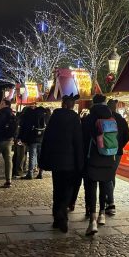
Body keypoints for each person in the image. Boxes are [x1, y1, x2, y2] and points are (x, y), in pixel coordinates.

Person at [39, 93, 83, 233]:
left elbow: (47, 138)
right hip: (70, 161)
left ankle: (57, 218)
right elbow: (78, 141)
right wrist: (80, 161)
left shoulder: (54, 117)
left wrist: (44, 159)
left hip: (56, 160)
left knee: (57, 188)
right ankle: (61, 216)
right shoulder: (74, 118)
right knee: (67, 189)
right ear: (71, 105)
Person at [82, 94, 117, 235]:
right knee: (104, 184)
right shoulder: (112, 118)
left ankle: (92, 221)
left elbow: (82, 139)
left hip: (92, 158)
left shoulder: (88, 119)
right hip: (109, 157)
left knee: (91, 187)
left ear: (93, 104)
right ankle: (102, 214)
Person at [104, 99, 129, 215]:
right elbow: (127, 137)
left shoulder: (105, 118)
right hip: (118, 152)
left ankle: (110, 201)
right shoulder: (121, 119)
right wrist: (120, 147)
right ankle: (109, 198)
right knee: (111, 174)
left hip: (108, 151)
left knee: (108, 175)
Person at [19, 104, 47, 179]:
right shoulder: (44, 115)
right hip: (42, 138)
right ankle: (40, 173)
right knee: (40, 157)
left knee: (32, 156)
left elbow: (27, 128)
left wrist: (24, 139)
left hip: (33, 139)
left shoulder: (32, 115)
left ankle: (30, 174)